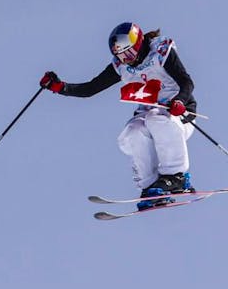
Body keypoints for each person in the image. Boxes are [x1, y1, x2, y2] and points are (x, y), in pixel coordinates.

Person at [40, 22, 198, 210]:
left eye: (129, 54)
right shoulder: (122, 66)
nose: (127, 60)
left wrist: (180, 101)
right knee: (133, 131)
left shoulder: (160, 53)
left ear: (139, 43)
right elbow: (91, 88)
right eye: (121, 56)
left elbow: (186, 82)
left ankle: (177, 176)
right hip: (150, 115)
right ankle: (151, 186)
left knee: (156, 118)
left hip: (178, 114)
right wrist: (60, 87)